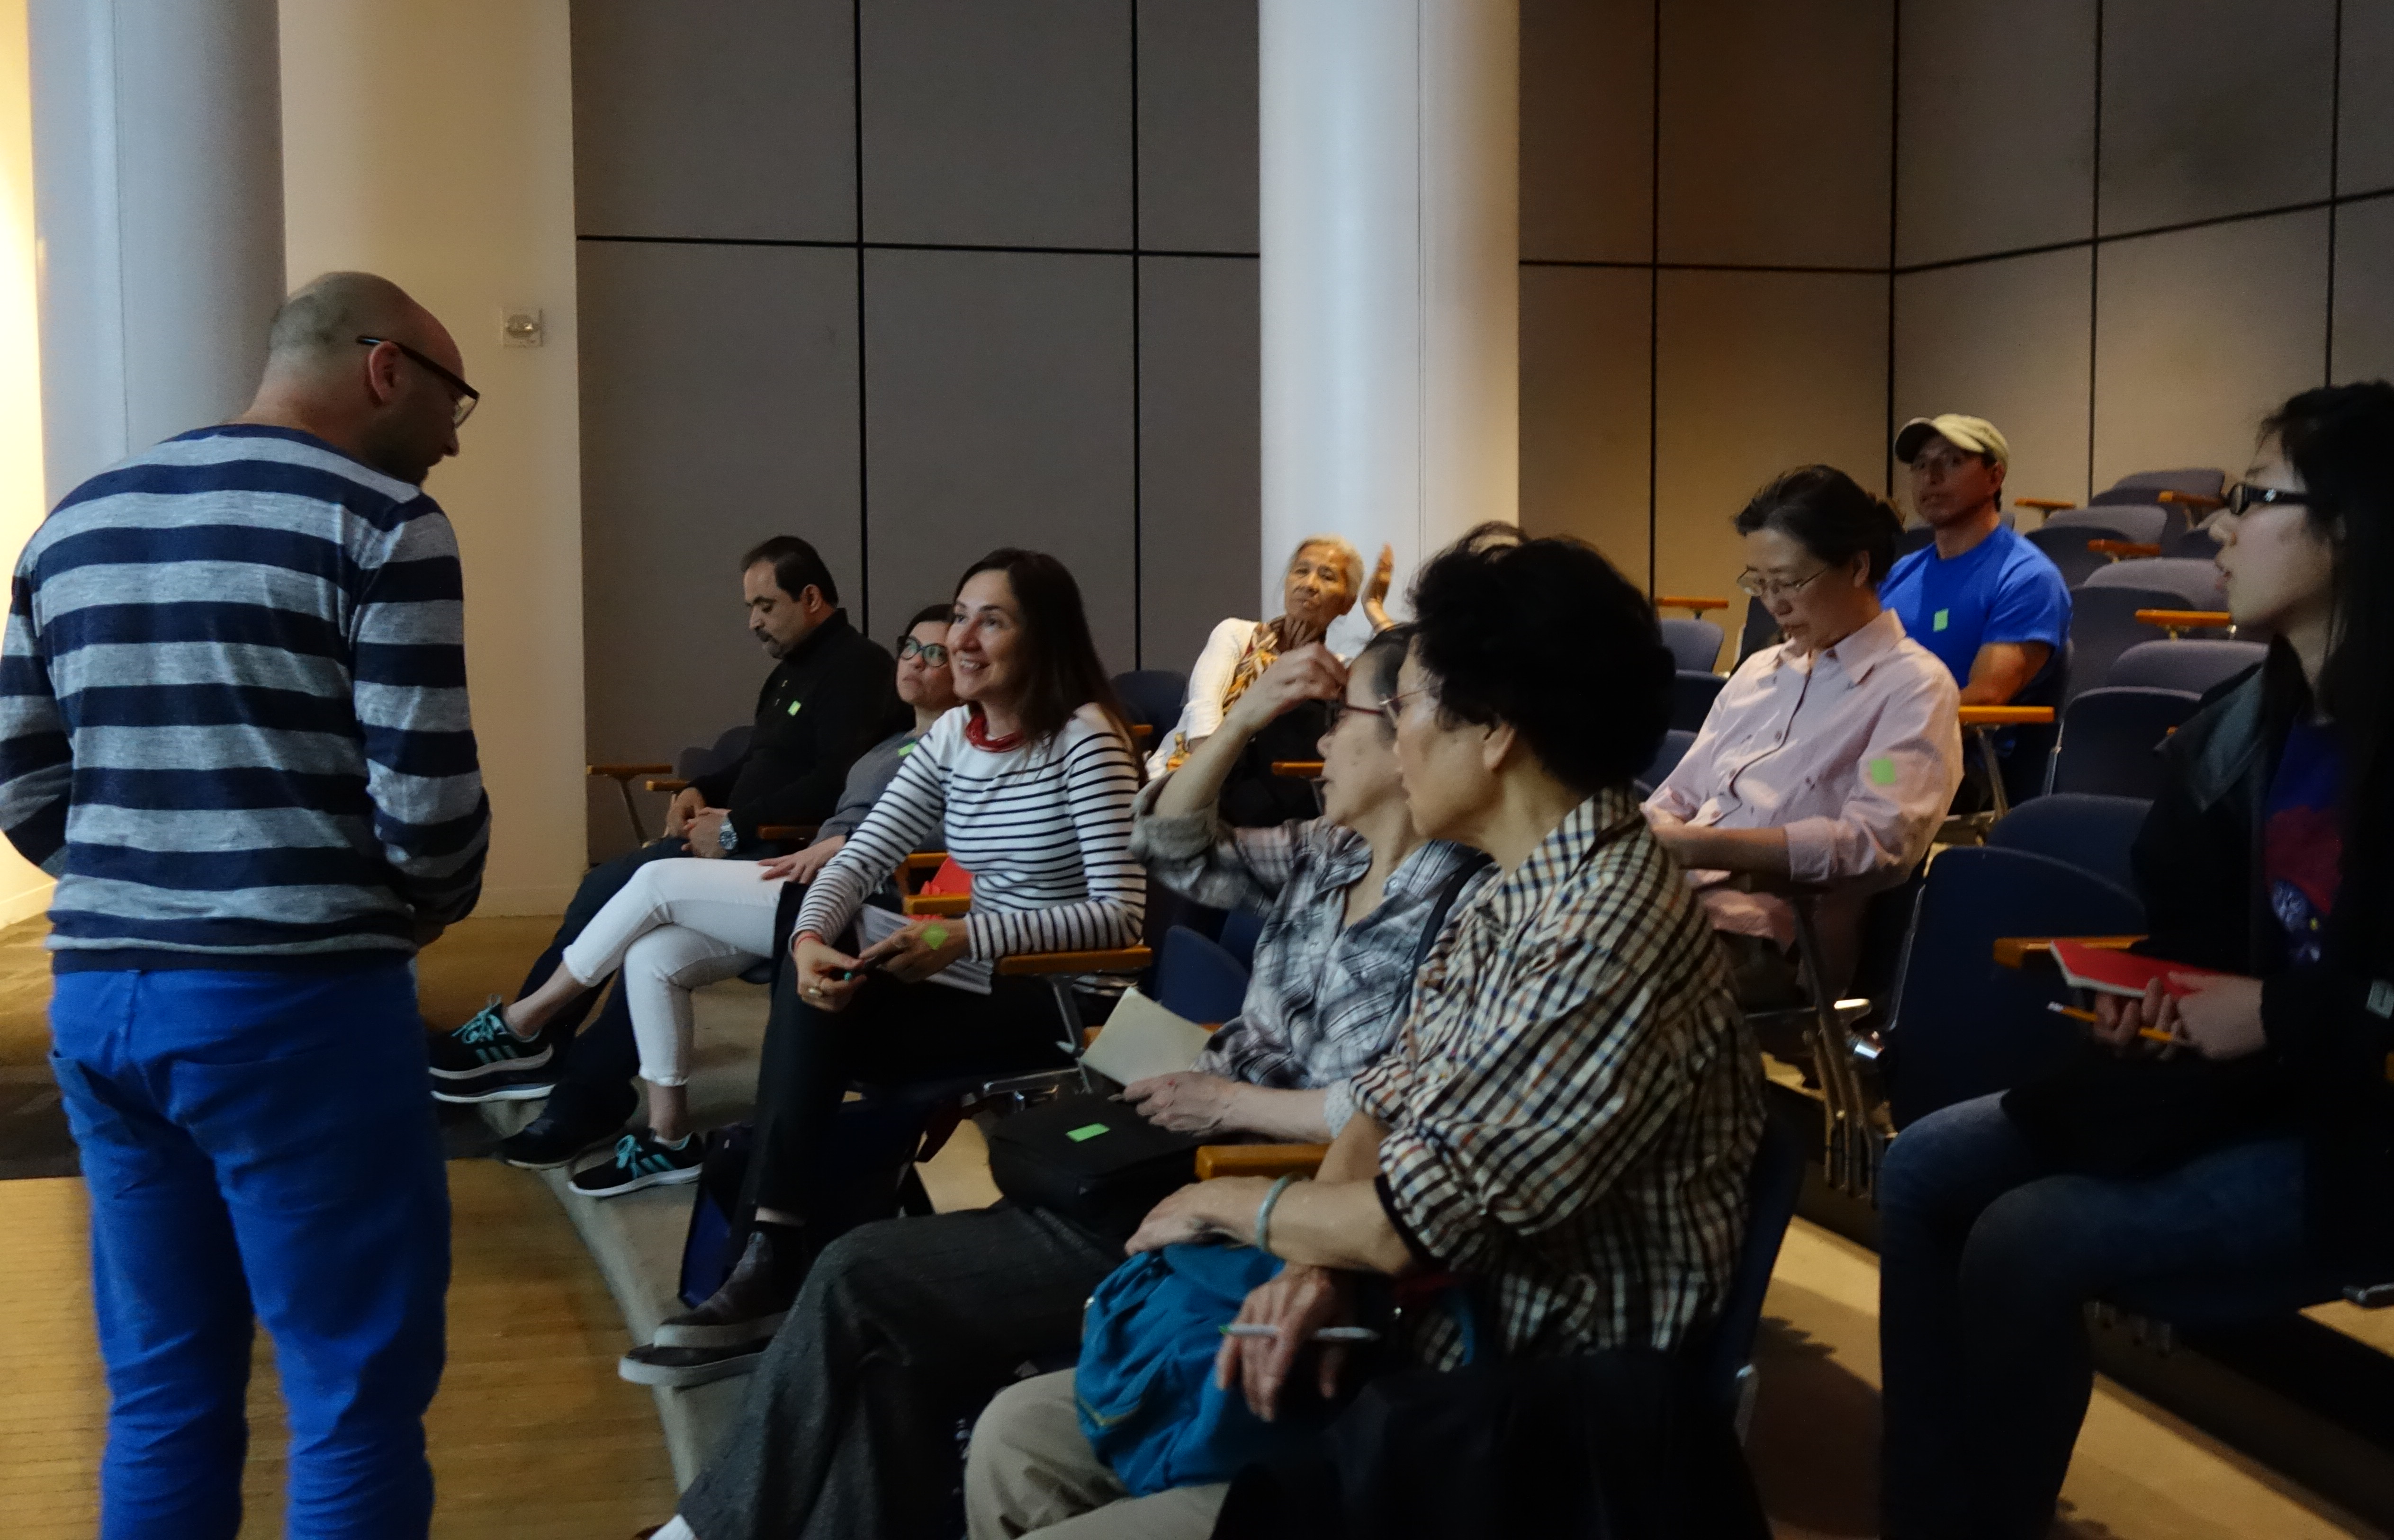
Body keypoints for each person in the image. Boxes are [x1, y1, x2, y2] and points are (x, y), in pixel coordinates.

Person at [963, 529, 1765, 1540]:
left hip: (1504, 1414)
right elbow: (1384, 1109)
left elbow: (1411, 1222)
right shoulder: (1517, 887)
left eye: (1406, 709)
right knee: (1017, 1439)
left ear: (1496, 731)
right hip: (1400, 1326)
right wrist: (1314, 1264)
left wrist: (1225, 1203)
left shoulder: (1604, 930)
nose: (1393, 739)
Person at [630, 624, 1489, 1540]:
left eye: (1339, 718)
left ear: (1405, 734)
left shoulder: (1468, 909)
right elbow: (1168, 842)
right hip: (1166, 1142)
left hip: (1234, 1193)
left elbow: (1398, 1110)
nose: (1317, 739)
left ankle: (702, 1529)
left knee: (857, 1274)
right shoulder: (1327, 854)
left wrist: (1233, 1102)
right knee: (896, 1357)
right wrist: (1242, 718)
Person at [1878, 383, 2394, 1540]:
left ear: (2357, 529)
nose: (2221, 528)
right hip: (2233, 1088)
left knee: (2028, 1233)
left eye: (2256, 500)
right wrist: (2153, 1000)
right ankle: (1930, 1514)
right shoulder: (2238, 725)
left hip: (2387, 1125)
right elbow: (2193, 935)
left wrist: (2274, 1012)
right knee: (1921, 1165)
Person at [0, 272, 488, 1536]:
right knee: (352, 1394)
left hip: (100, 1006)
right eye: (453, 402)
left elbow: (24, 782)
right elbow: (430, 808)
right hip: (297, 1006)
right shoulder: (384, 523)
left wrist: (143, 881)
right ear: (385, 368)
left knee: (162, 1394)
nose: (451, 439)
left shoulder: (74, 523)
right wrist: (406, 908)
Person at [627, 548, 1147, 1378]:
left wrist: (966, 938)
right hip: (967, 974)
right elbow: (860, 856)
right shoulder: (953, 736)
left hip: (1055, 995)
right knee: (817, 946)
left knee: (818, 1027)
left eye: (991, 621)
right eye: (960, 615)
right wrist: (808, 946)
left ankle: (762, 1258)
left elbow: (1121, 917)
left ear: (1042, 637)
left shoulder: (1087, 740)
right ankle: (771, 1252)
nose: (962, 638)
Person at [428, 535, 902, 1170]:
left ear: (811, 598)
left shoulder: (858, 668)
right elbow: (760, 762)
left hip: (780, 856)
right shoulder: (793, 670)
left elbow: (835, 782)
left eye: (765, 605)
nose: (753, 622)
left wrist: (734, 828)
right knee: (625, 913)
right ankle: (561, 1069)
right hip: (743, 843)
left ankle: (541, 1047)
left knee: (629, 887)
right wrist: (699, 788)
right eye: (749, 607)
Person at [477, 603, 960, 1199]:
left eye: (936, 654)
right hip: (813, 879)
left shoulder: (958, 747)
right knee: (653, 955)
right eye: (911, 646)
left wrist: (839, 845)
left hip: (863, 903)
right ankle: (670, 1137)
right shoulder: (892, 740)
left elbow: (949, 834)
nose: (916, 662)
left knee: (656, 881)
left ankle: (526, 1024)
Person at [1645, 465, 1962, 1005]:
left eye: (1789, 582)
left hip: (1767, 934)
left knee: (1592, 979)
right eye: (1759, 583)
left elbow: (1877, 842)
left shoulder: (1911, 687)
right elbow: (1679, 795)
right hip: (1672, 901)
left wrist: (1704, 846)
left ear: (1858, 567)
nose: (1774, 604)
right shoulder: (1759, 672)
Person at [1161, 535, 1393, 823]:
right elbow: (1202, 709)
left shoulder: (1335, 671)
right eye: (1301, 571)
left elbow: (1399, 672)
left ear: (1346, 603)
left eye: (1327, 577)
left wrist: (1374, 608)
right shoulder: (1237, 635)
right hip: (1191, 775)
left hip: (1269, 801)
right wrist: (1206, 785)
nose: (1309, 584)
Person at [1879, 414, 2071, 705]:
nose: (1931, 477)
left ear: (1994, 477)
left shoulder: (2027, 577)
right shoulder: (1901, 572)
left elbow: (1985, 698)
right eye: (1920, 465)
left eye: (1952, 461)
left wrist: (1885, 728)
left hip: (1949, 734)